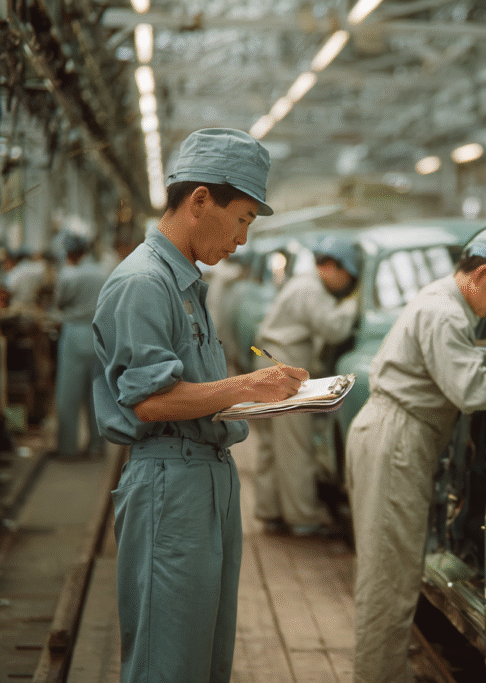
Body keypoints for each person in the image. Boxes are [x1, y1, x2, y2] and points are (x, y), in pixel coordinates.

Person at [92, 128, 308, 683]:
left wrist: (262, 391)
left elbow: (192, 390)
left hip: (205, 479)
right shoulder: (145, 282)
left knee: (203, 658)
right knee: (167, 662)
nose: (242, 240)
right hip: (170, 486)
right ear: (200, 200)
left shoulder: (184, 283)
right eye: (242, 220)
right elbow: (151, 402)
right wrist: (249, 386)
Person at [345, 226, 486, 683]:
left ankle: (385, 671)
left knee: (391, 570)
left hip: (395, 433)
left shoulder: (442, 301)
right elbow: (470, 389)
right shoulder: (446, 314)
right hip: (397, 440)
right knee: (388, 578)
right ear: (483, 274)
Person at [254, 235, 361, 536]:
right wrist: (354, 304)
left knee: (272, 445)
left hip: (271, 362)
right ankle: (303, 519)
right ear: (332, 266)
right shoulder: (311, 288)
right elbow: (335, 328)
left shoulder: (302, 283)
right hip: (284, 367)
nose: (348, 284)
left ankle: (270, 511)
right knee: (295, 445)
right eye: (349, 276)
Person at [50, 233, 108, 459]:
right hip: (98, 334)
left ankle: (68, 448)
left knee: (69, 395)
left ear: (71, 254)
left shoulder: (68, 274)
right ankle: (96, 446)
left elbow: (59, 303)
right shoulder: (102, 272)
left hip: (74, 334)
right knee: (96, 394)